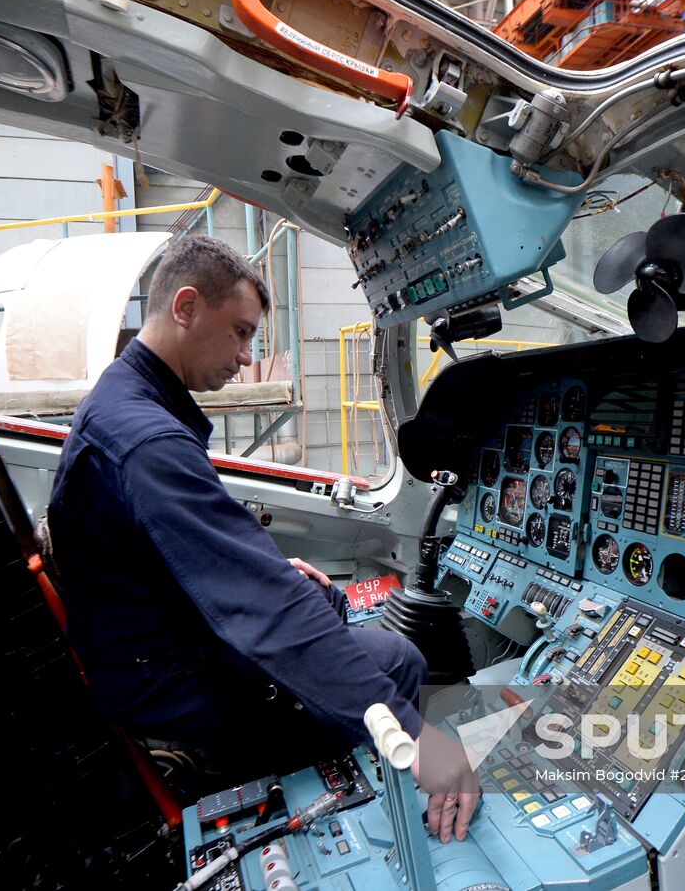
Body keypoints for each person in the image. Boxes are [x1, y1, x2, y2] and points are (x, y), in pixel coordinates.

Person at [45, 235, 478, 841]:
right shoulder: (148, 442)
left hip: (149, 649)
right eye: (241, 333)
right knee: (396, 659)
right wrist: (415, 736)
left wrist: (276, 578)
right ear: (186, 307)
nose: (247, 357)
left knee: (332, 615)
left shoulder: (126, 400)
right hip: (163, 685)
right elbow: (270, 614)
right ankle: (377, 829)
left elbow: (179, 559)